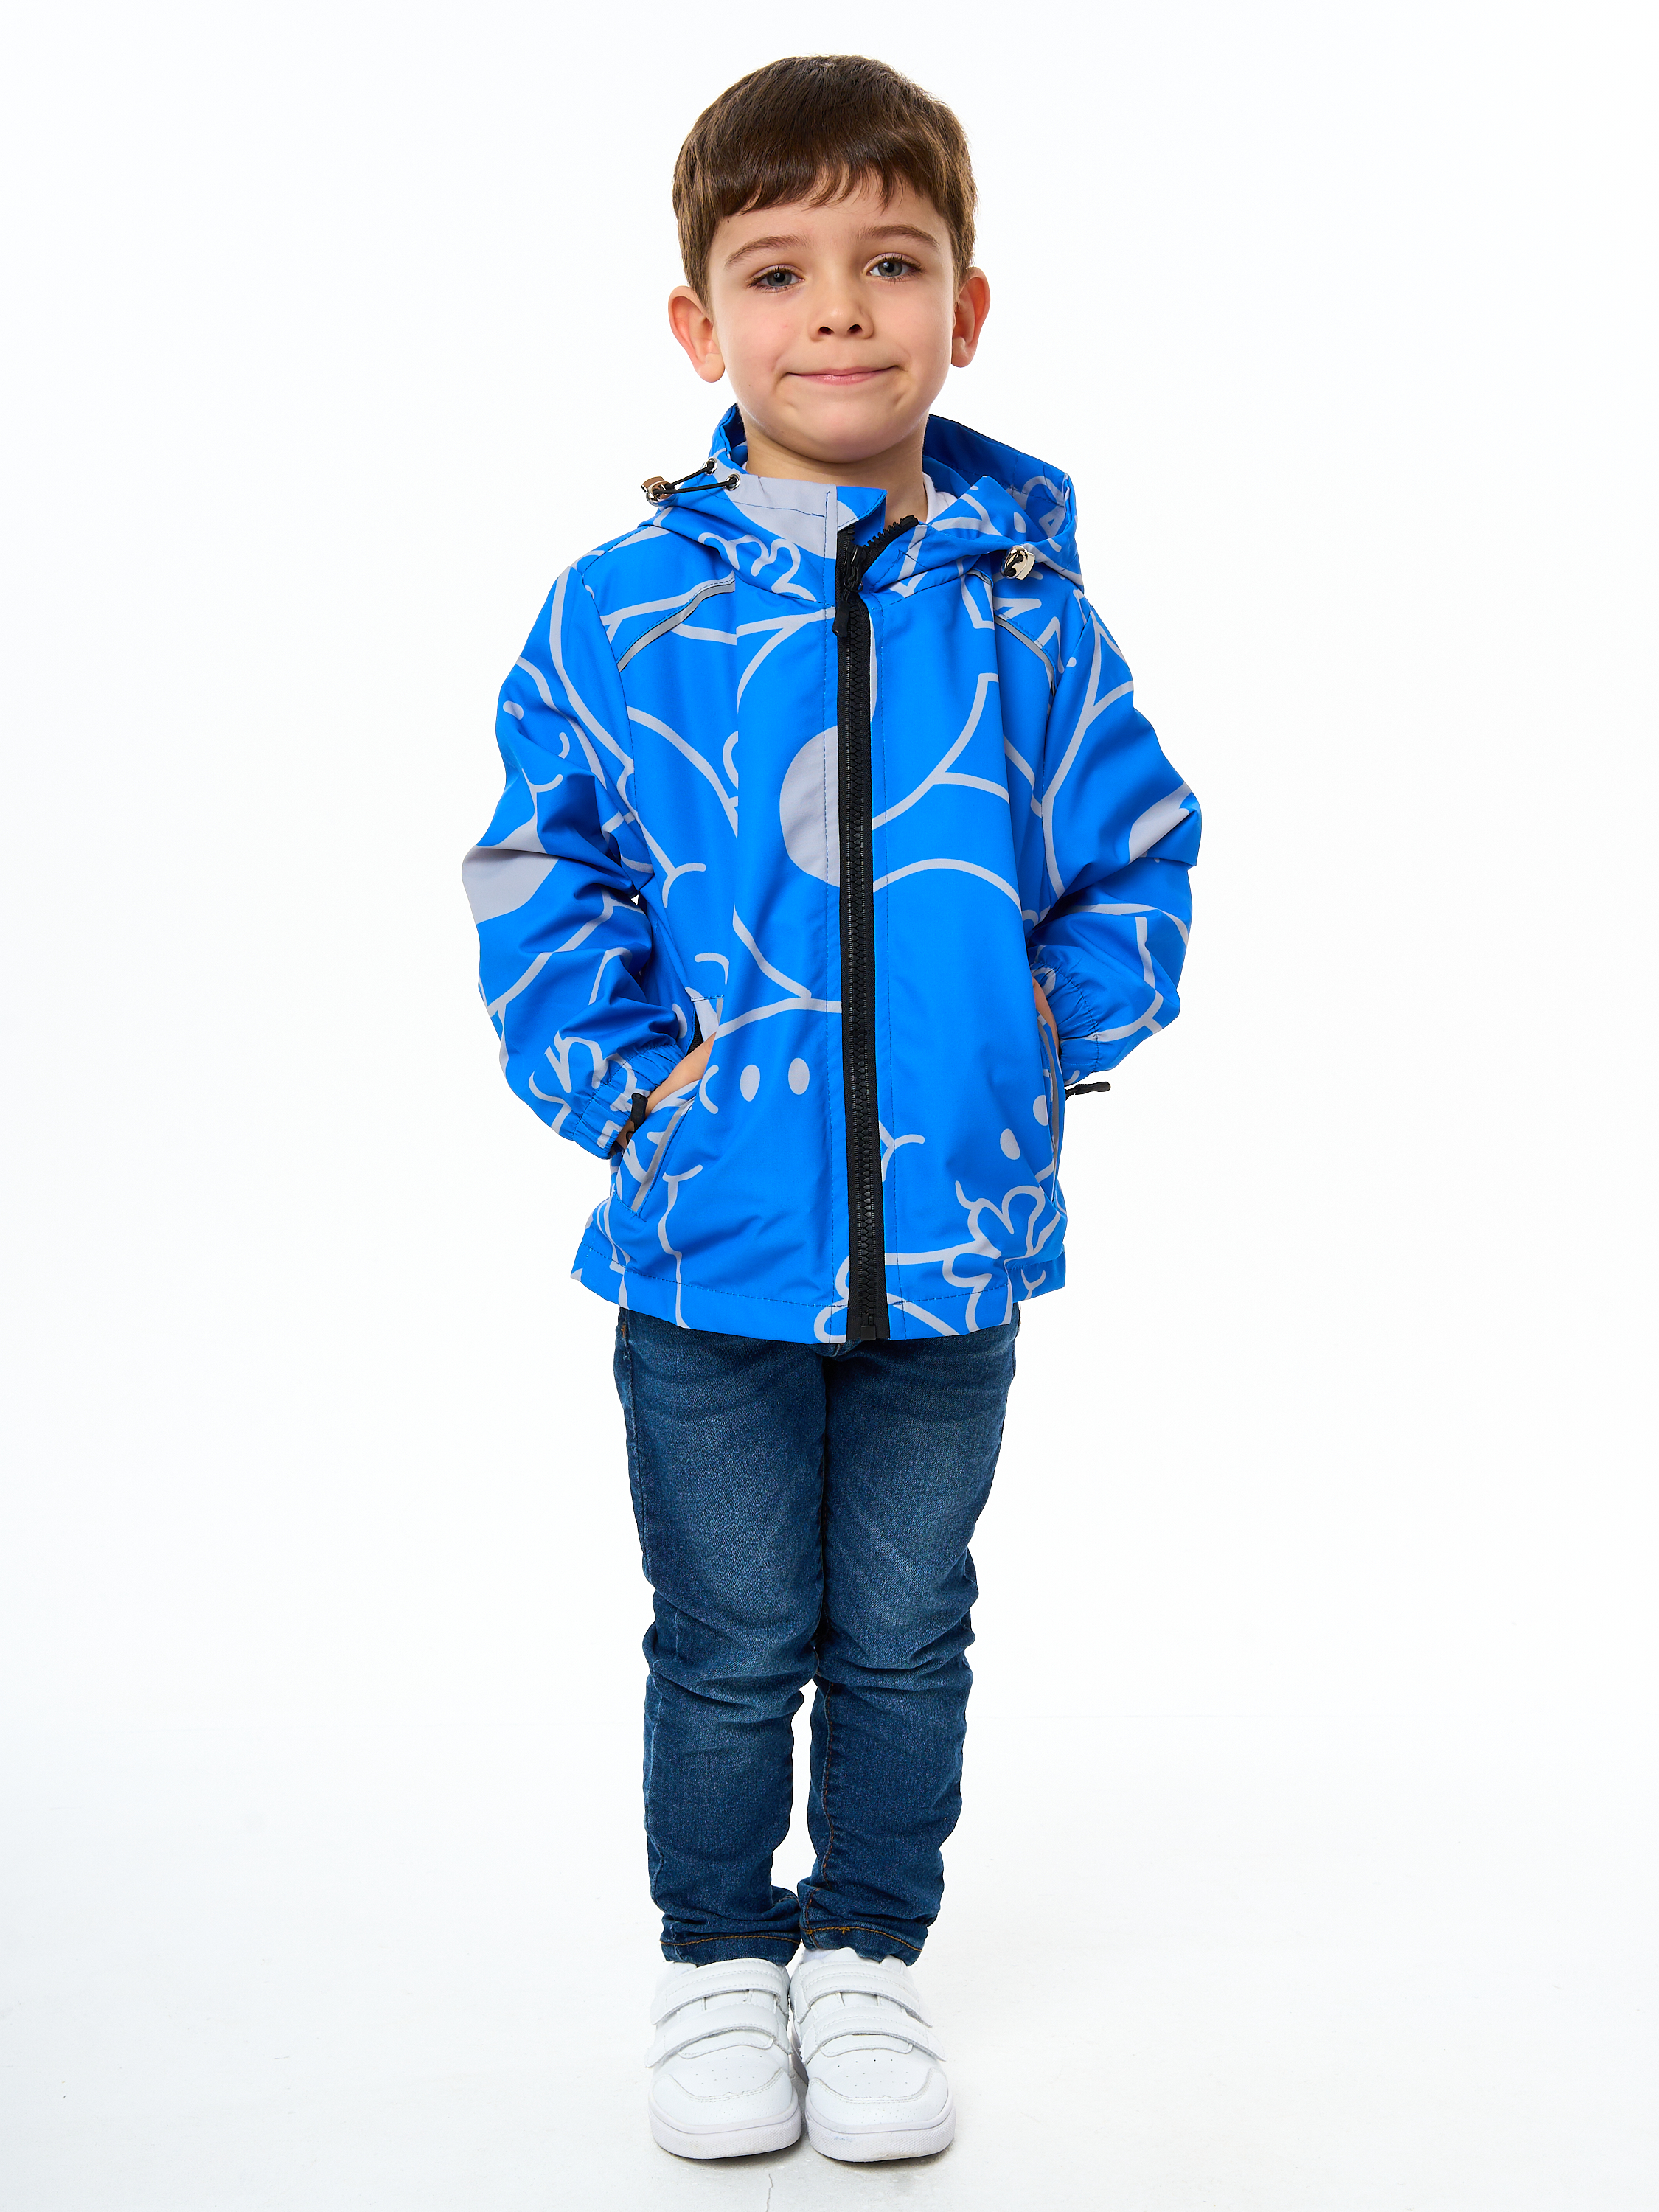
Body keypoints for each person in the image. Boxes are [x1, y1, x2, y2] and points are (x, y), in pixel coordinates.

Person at [463, 52, 1198, 2166]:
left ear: (967, 306)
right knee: (723, 1640)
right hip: (710, 1241)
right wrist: (636, 1090)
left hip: (952, 1240)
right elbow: (531, 868)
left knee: (902, 1630)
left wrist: (1028, 1042)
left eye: (892, 261)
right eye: (778, 271)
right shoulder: (623, 612)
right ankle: (718, 1961)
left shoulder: (1030, 612)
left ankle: (865, 1950)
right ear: (700, 327)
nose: (841, 310)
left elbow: (1141, 853)